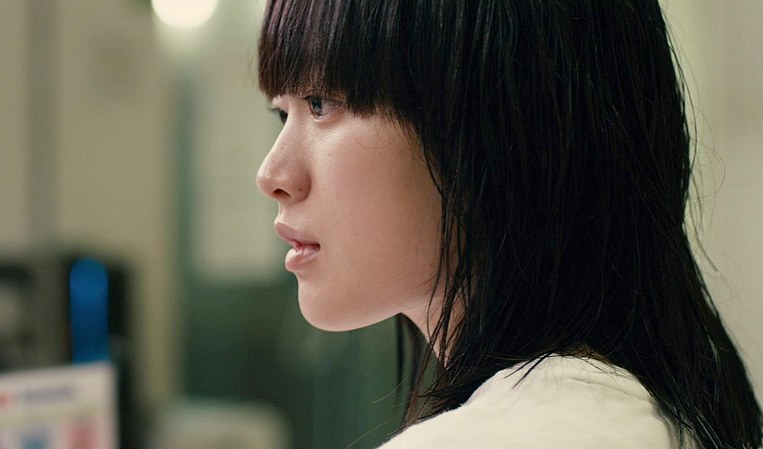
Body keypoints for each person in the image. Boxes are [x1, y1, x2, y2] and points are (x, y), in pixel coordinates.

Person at [254, 1, 763, 448]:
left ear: (495, 117)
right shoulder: (652, 414)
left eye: (320, 105)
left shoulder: (516, 434)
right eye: (282, 114)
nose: (272, 175)